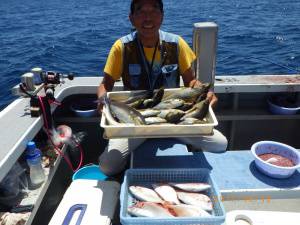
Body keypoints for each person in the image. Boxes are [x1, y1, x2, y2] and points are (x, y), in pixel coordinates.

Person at [97, 0, 227, 176]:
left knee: (220, 144)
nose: (148, 17)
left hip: (173, 119)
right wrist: (102, 100)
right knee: (107, 166)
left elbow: (191, 81)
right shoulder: (122, 47)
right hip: (135, 121)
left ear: (162, 16)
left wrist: (206, 94)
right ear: (131, 18)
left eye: (154, 11)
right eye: (141, 11)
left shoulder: (176, 44)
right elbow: (106, 84)